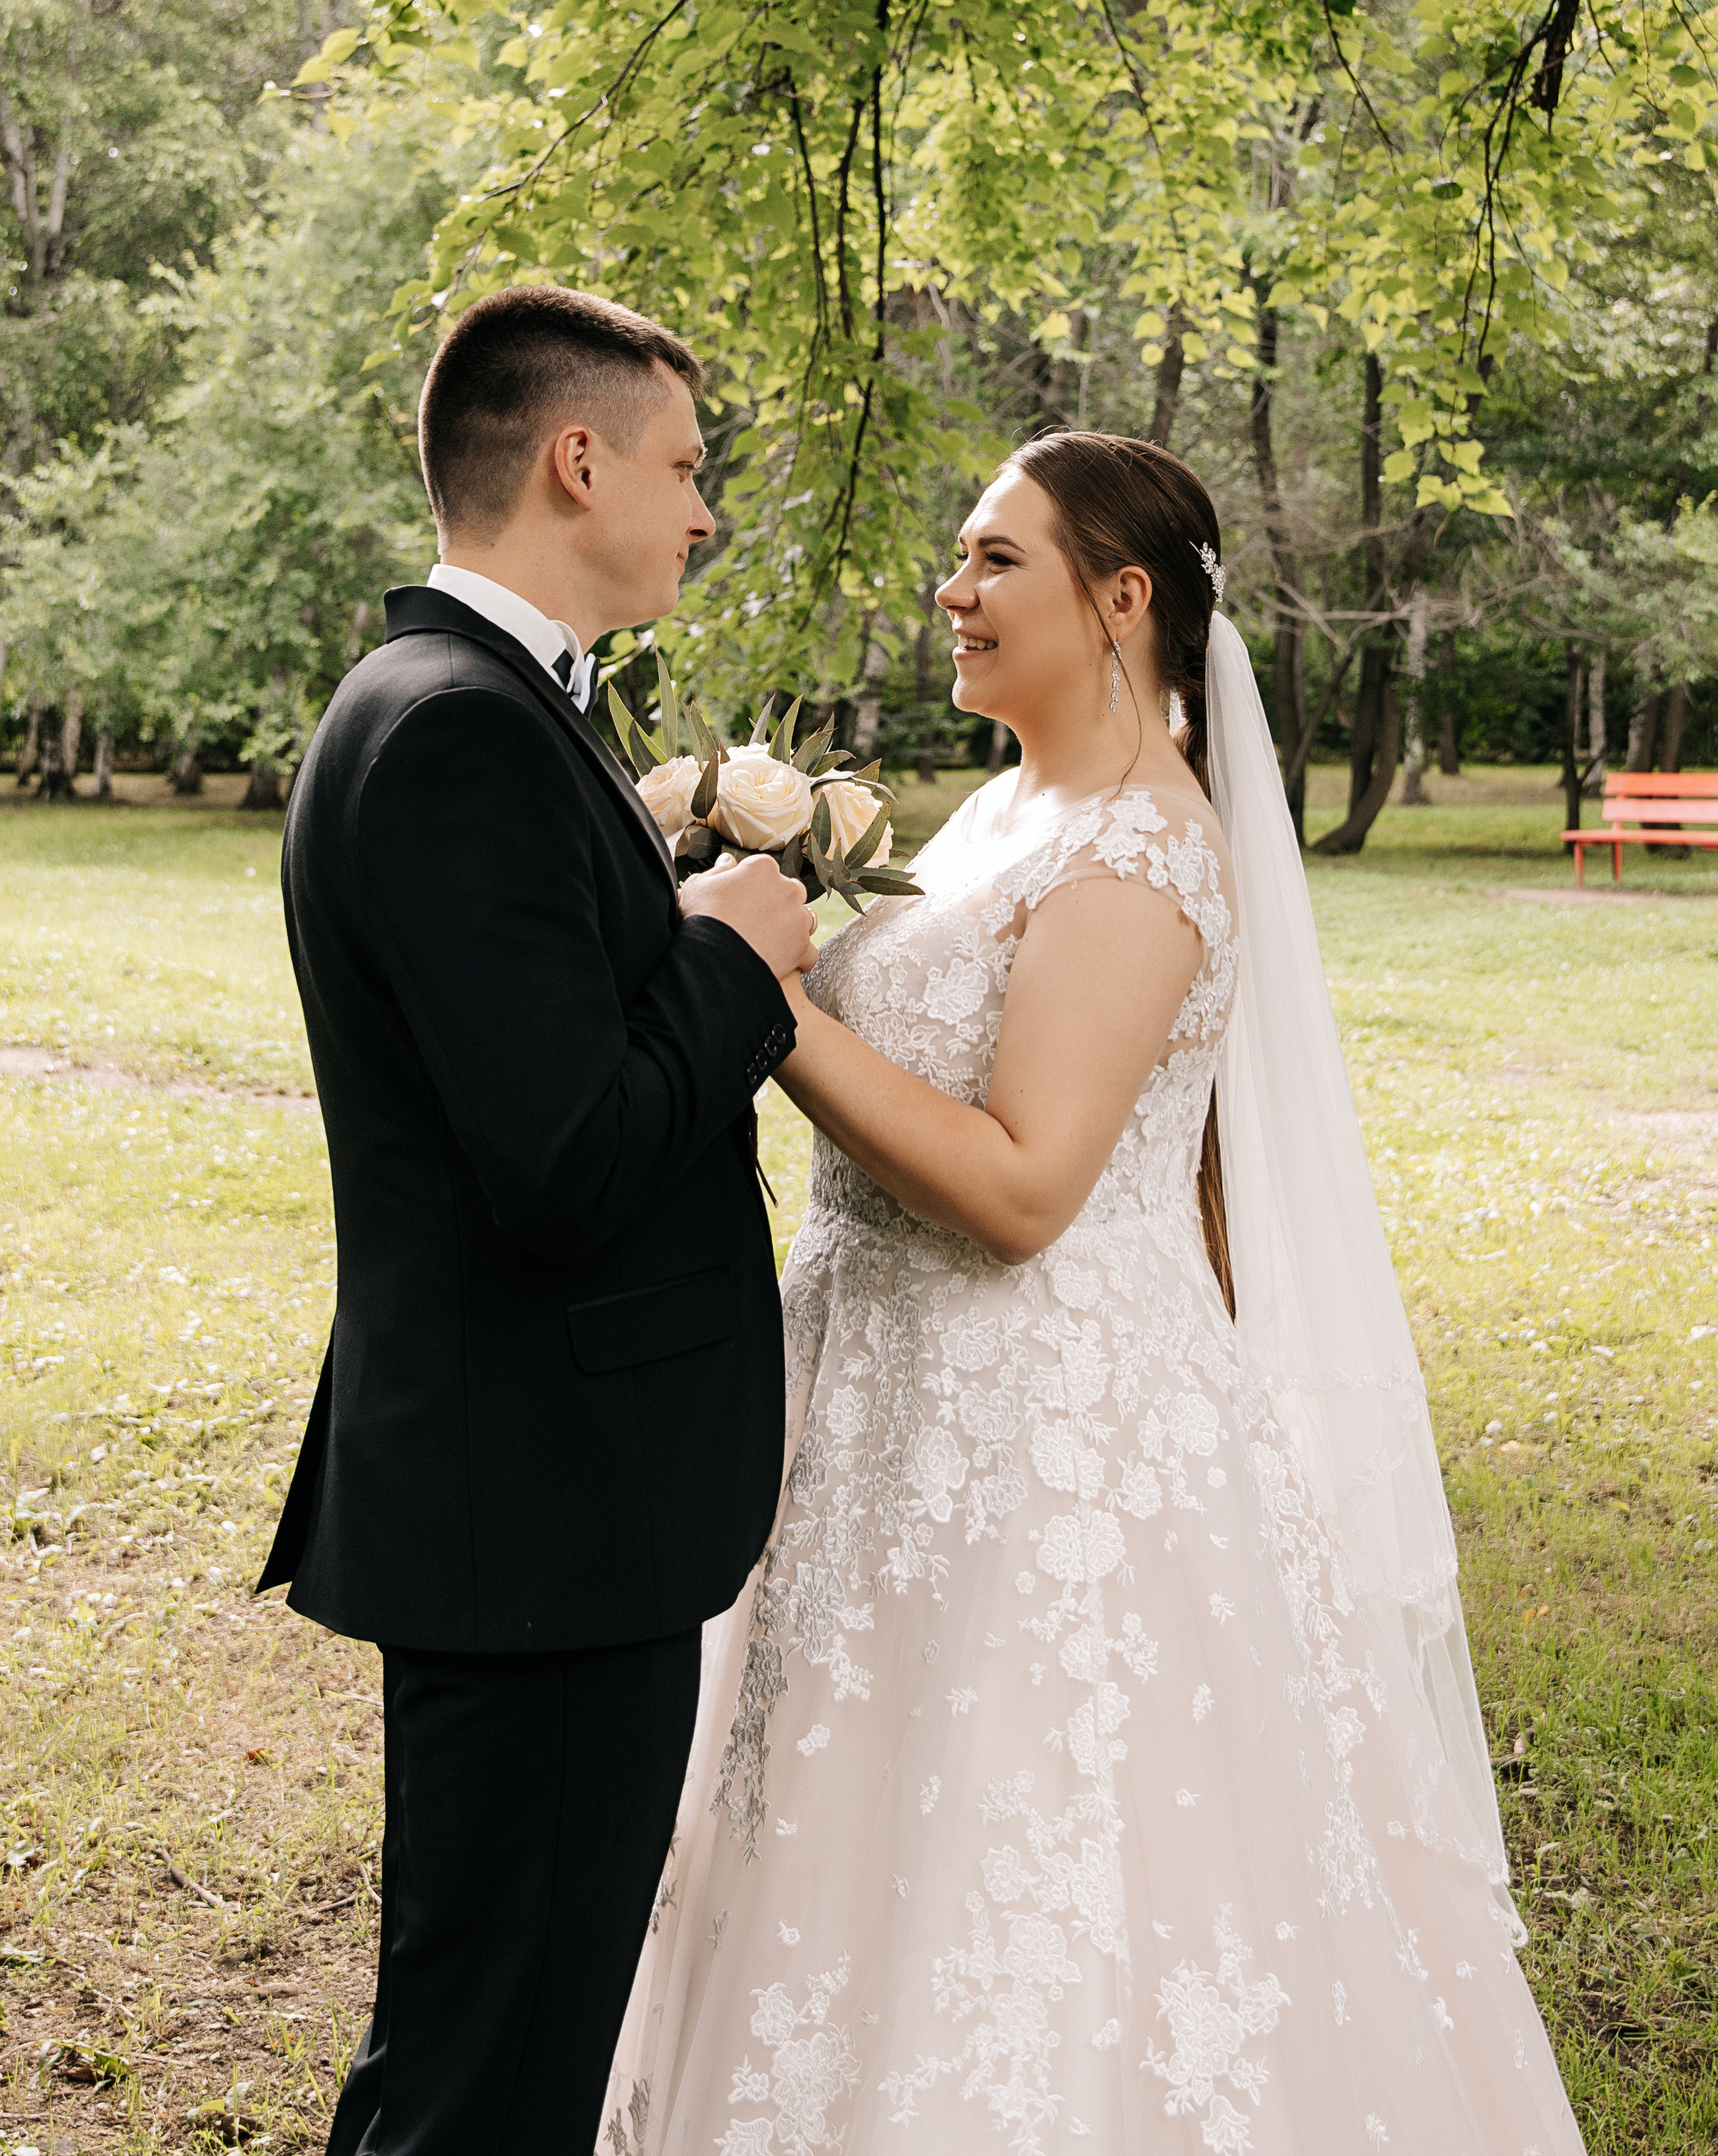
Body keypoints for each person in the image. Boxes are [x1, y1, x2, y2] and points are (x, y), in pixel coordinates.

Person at [601, 431, 1586, 2154]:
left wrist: (755, 999)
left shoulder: (1136, 855)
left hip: (1041, 1440)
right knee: (842, 1838)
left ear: (1120, 598)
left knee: (1040, 1858)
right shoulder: (1004, 809)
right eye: (960, 559)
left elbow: (1025, 1188)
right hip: (875, 1413)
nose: (952, 592)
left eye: (996, 561)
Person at [255, 285, 817, 2156]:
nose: (703, 509)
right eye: (683, 465)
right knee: (489, 2081)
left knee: (480, 2045)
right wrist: (732, 961)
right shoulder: (454, 734)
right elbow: (570, 1160)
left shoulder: (484, 709)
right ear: (576, 460)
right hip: (547, 1513)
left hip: (540, 1500)